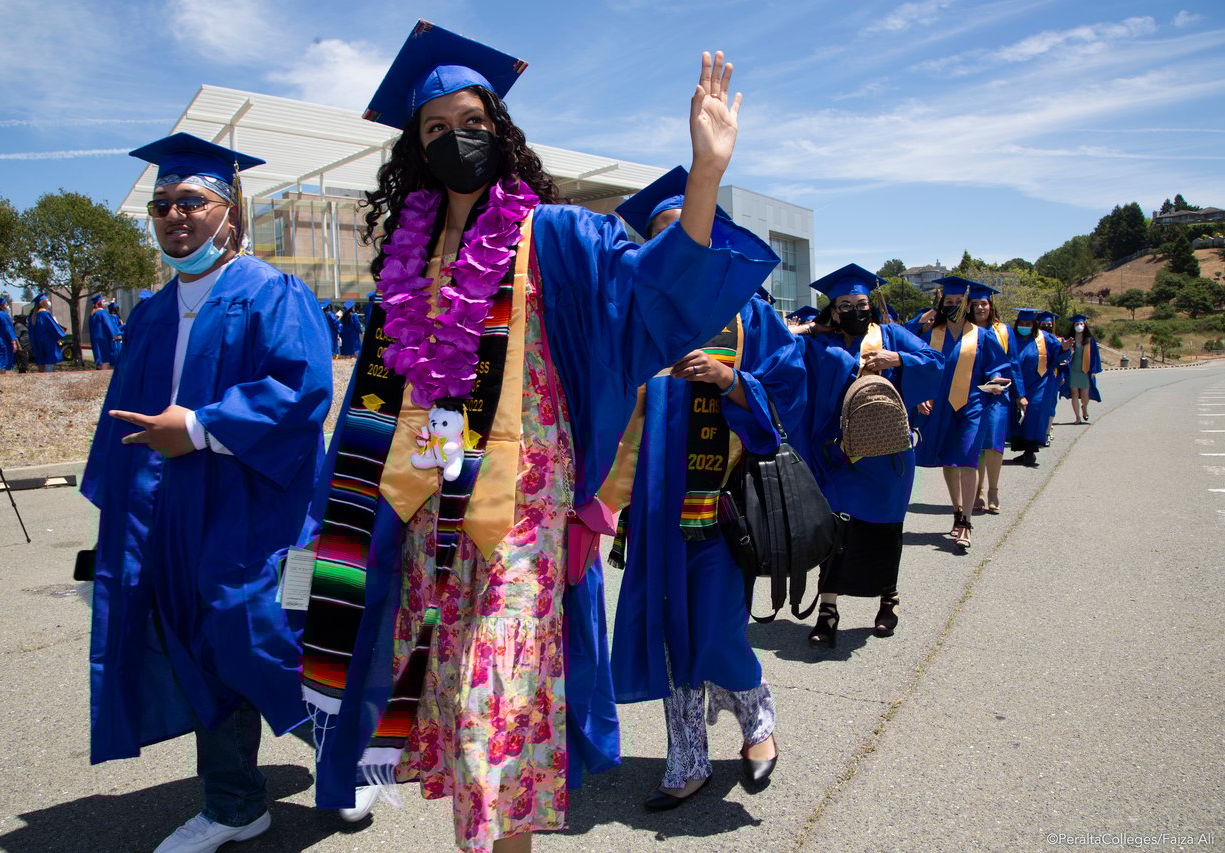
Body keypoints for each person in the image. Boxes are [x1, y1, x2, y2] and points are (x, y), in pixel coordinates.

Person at [293, 22, 775, 852]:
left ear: (501, 131)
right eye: (435, 128)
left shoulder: (551, 234)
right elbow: (379, 403)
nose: (455, 139)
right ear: (414, 147)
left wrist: (705, 172)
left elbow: (652, 294)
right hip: (424, 515)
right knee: (455, 709)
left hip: (517, 515)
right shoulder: (406, 259)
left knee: (492, 718)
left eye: (470, 122)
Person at [80, 132, 333, 853]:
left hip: (262, 506)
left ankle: (349, 757)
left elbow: (302, 391)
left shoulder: (270, 291)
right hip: (174, 512)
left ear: (231, 210)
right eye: (162, 205)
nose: (174, 216)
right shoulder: (153, 313)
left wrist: (197, 426)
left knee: (266, 636)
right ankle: (232, 805)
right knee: (199, 648)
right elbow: (124, 417)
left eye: (191, 200)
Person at [604, 168, 794, 810]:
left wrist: (730, 380)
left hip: (721, 503)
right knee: (667, 631)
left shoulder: (750, 317)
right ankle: (686, 759)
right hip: (652, 508)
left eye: (688, 236)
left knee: (714, 628)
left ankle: (758, 716)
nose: (676, 253)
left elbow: (784, 398)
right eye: (661, 240)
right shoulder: (634, 321)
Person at [797, 265, 942, 646]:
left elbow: (935, 362)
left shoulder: (890, 335)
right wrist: (811, 328)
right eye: (845, 304)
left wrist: (899, 360)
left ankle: (887, 598)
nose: (855, 310)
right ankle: (827, 608)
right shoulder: (819, 342)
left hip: (886, 453)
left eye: (861, 303)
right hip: (836, 454)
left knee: (885, 527)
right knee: (836, 530)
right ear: (833, 308)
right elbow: (778, 345)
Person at [910, 277, 1012, 551]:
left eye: (958, 302)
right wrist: (919, 395)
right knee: (949, 460)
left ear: (967, 305)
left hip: (972, 404)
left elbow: (998, 366)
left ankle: (966, 521)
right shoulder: (931, 334)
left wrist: (996, 381)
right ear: (941, 304)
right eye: (949, 302)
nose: (954, 306)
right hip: (939, 406)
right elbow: (916, 366)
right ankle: (956, 510)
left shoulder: (981, 335)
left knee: (967, 458)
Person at [966, 284, 1026, 514]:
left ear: (991, 306)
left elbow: (1013, 364)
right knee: (977, 444)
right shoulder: (965, 330)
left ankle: (993, 491)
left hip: (998, 394)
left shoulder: (1004, 331)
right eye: (975, 304)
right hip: (973, 394)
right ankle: (978, 491)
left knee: (994, 443)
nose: (980, 307)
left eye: (984, 303)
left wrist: (1020, 395)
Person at [1007, 309, 1061, 467]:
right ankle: (1024, 451)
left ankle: (1030, 452)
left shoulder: (1045, 339)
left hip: (1039, 384)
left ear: (1034, 325)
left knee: (1033, 415)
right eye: (1022, 324)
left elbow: (1058, 357)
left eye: (1028, 324)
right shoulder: (1011, 338)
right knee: (1016, 417)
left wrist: (1064, 349)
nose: (1025, 326)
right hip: (1016, 383)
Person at [1062, 313, 1101, 423]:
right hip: (1072, 370)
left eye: (1081, 324)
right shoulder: (1069, 340)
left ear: (1084, 325)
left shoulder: (1089, 340)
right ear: (1073, 326)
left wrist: (1094, 370)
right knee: (1074, 393)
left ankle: (1085, 408)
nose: (1079, 326)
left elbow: (1095, 356)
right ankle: (1077, 417)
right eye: (1077, 324)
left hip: (1085, 370)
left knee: (1085, 395)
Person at [1036, 311, 1062, 444]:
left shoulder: (1057, 340)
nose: (1047, 326)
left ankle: (1047, 431)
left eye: (1049, 324)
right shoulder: (1034, 339)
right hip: (1036, 376)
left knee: (1051, 403)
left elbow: (1063, 359)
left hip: (1054, 375)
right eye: (1044, 324)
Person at [29, 293, 66, 373]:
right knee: (49, 361)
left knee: (41, 361)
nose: (49, 302)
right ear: (43, 303)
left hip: (38, 342)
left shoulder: (33, 316)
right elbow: (53, 327)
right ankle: (47, 377)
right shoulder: (45, 314)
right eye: (47, 300)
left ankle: (42, 378)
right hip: (48, 342)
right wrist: (60, 335)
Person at [88, 294, 115, 369]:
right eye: (103, 301)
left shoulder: (92, 314)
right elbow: (109, 325)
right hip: (104, 339)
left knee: (99, 357)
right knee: (105, 358)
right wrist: (115, 335)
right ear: (99, 303)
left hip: (95, 339)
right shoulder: (102, 312)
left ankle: (99, 367)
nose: (105, 302)